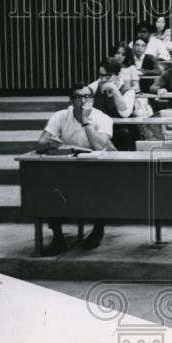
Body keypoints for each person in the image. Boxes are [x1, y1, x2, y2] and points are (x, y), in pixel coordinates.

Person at [35, 84, 115, 252]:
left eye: (87, 97)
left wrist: (85, 121)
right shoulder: (61, 116)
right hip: (67, 167)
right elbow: (40, 143)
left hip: (96, 169)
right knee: (50, 186)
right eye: (78, 97)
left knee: (99, 186)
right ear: (71, 101)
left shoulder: (103, 118)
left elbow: (100, 145)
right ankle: (58, 237)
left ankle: (98, 230)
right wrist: (49, 143)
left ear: (93, 100)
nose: (83, 101)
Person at [87, 58, 139, 150]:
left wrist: (115, 91)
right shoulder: (97, 85)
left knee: (123, 134)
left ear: (118, 75)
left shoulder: (128, 90)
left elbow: (125, 113)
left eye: (108, 76)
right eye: (101, 75)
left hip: (121, 130)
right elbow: (82, 96)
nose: (103, 79)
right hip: (101, 129)